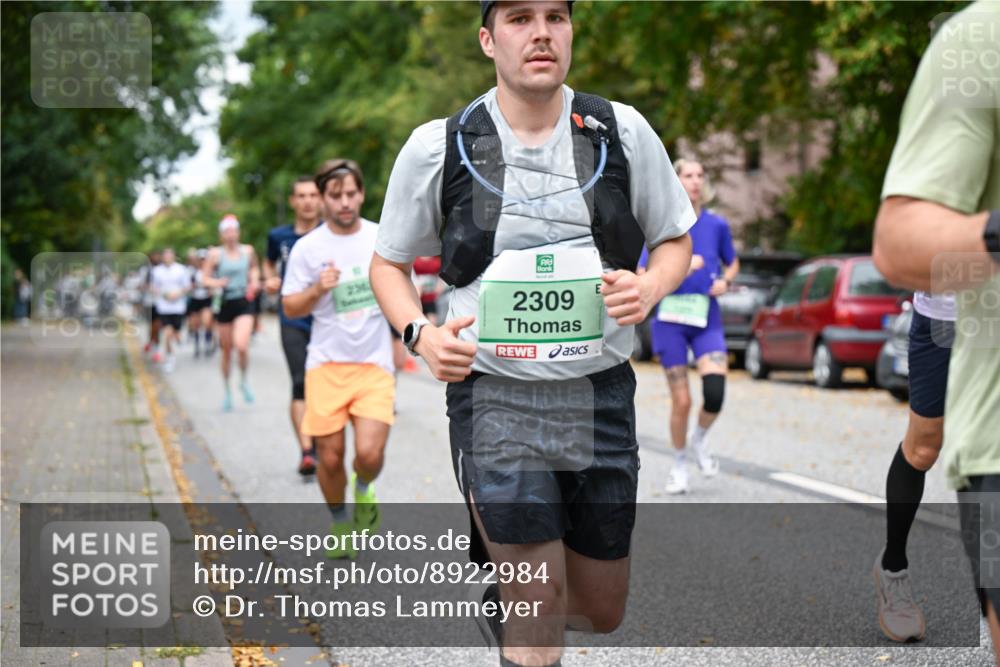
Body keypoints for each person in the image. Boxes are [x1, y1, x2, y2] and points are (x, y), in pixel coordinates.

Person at [369, 2, 694, 664]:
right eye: (519, 18)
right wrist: (420, 335)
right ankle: (523, 608)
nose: (541, 32)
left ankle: (511, 598)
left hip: (600, 393)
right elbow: (388, 264)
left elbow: (674, 242)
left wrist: (652, 286)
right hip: (496, 398)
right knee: (538, 613)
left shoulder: (619, 133)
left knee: (600, 608)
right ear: (488, 40)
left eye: (556, 16)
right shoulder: (444, 145)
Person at [872, 1, 999, 657]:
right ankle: (894, 567)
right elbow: (903, 241)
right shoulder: (947, 104)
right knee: (925, 445)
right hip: (950, 320)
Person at [282, 159, 395, 558]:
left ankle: (364, 487)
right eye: (336, 195)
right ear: (323, 199)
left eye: (351, 194)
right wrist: (317, 289)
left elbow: (403, 292)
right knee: (329, 458)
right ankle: (340, 522)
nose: (345, 202)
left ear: (361, 194)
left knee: (368, 453)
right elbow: (290, 308)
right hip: (326, 364)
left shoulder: (383, 239)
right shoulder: (307, 248)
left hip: (374, 363)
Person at [647, 159, 739, 495]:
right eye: (688, 175)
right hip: (670, 320)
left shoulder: (717, 225)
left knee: (715, 392)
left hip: (706, 318)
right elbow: (645, 275)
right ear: (676, 180)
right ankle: (679, 464)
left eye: (701, 175)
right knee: (682, 400)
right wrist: (681, 268)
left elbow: (733, 262)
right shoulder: (661, 224)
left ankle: (699, 439)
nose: (696, 181)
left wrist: (725, 282)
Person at [266, 176, 323, 476]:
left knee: (324, 385)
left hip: (327, 319)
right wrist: (271, 280)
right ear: (293, 201)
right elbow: (269, 263)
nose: (308, 201)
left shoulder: (331, 234)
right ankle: (307, 451)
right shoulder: (279, 236)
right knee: (301, 382)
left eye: (313, 194)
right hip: (293, 317)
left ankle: (323, 441)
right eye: (301, 195)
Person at [203, 215, 261, 411]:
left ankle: (243, 380)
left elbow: (254, 268)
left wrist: (254, 281)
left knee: (242, 345)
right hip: (225, 302)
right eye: (226, 231)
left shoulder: (248, 250)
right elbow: (204, 278)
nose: (230, 235)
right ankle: (227, 390)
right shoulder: (215, 255)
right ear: (221, 235)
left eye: (233, 231)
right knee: (227, 351)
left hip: (244, 301)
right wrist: (217, 283)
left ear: (238, 232)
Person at [149, 248, 190, 373]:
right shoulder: (156, 271)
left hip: (178, 307)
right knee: (167, 333)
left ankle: (179, 339)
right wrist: (163, 294)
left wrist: (177, 294)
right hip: (163, 307)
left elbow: (187, 286)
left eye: (169, 255)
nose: (167, 257)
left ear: (173, 256)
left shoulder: (181, 269)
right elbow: (153, 287)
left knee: (176, 334)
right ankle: (170, 358)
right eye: (165, 255)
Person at [413, 256, 444, 325]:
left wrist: (439, 285)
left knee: (432, 320)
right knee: (418, 319)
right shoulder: (414, 260)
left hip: (431, 296)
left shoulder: (436, 261)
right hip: (418, 295)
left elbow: (439, 276)